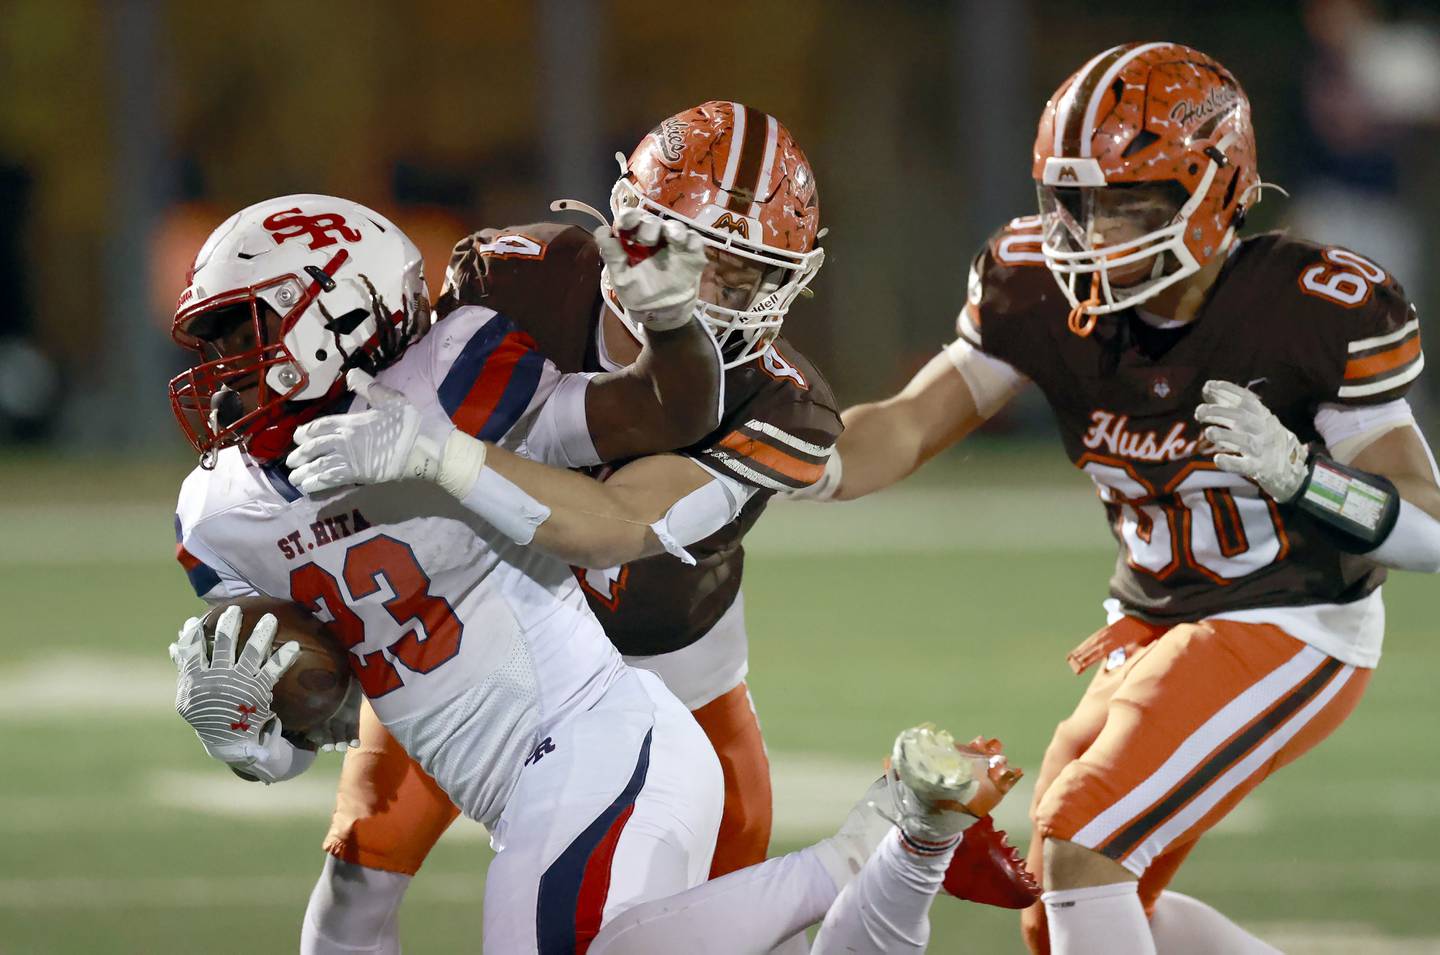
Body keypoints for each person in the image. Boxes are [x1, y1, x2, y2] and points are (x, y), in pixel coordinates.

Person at [288, 101, 1036, 955]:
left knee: (701, 936)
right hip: (483, 642)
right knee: (358, 876)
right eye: (693, 258)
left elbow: (612, 522)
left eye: (741, 275)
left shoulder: (775, 402)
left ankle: (902, 842)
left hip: (673, 679)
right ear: (627, 226)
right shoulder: (519, 280)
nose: (711, 294)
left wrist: (988, 359)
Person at [791, 42, 1440, 955]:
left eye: (1131, 203)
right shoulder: (1034, 290)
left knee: (1086, 838)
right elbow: (902, 424)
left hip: (1294, 619)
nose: (1097, 234)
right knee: (1060, 914)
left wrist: (1305, 476)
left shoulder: (1308, 306)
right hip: (1154, 619)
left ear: (1216, 190)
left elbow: (1429, 522)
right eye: (1079, 203)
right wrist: (793, 456)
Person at [167, 191, 736, 951]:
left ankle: (860, 861)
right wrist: (256, 738)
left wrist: (670, 325)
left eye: (250, 334)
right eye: (218, 346)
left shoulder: (447, 377)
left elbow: (664, 411)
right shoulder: (218, 513)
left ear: (343, 312)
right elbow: (330, 696)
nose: (227, 370)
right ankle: (855, 864)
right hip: (524, 783)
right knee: (334, 935)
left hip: (600, 748)